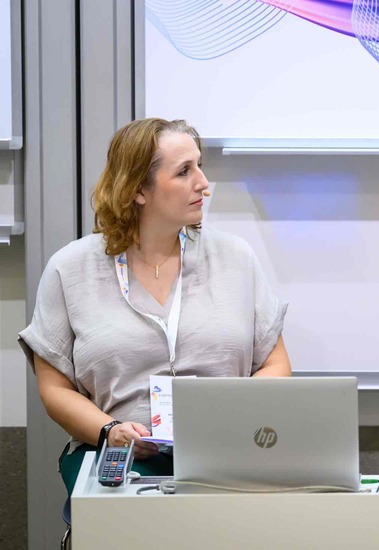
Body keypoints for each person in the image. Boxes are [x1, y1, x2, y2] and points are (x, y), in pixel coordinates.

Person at [19, 118, 291, 495]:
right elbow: (55, 390)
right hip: (121, 458)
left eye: (199, 166)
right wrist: (110, 431)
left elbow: (277, 365)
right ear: (138, 190)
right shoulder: (70, 268)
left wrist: (227, 416)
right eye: (184, 171)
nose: (203, 183)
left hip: (226, 454)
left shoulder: (236, 258)